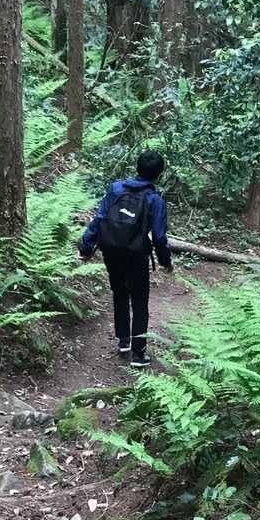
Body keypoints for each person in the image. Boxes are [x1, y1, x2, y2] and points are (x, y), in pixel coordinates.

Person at [79, 149, 173, 368]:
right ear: (158, 174)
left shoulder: (116, 189)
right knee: (139, 302)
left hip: (111, 249)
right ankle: (138, 355)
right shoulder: (155, 200)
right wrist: (165, 262)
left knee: (119, 293)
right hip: (136, 254)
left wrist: (86, 247)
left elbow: (99, 218)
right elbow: (159, 237)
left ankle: (123, 342)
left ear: (137, 167)